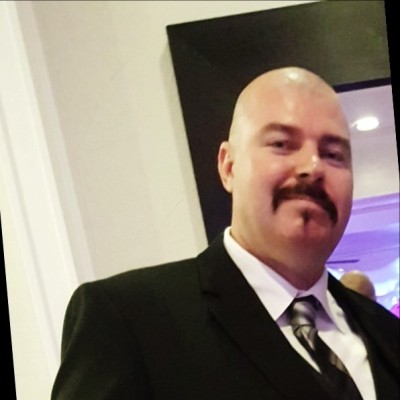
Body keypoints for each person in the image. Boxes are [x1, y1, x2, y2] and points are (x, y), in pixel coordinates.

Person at [51, 67, 399, 400]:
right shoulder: (130, 322)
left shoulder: (386, 332)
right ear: (228, 166)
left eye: (333, 154)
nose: (312, 166)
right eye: (281, 143)